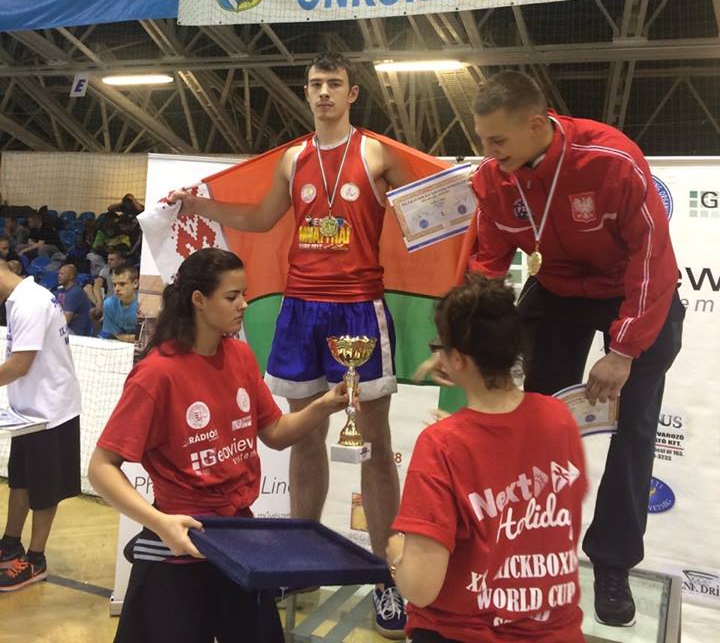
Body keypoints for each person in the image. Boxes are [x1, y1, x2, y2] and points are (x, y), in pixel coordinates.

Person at [170, 51, 411, 638]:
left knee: (375, 446)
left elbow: (425, 207)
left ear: (353, 94)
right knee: (304, 437)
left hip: (358, 307)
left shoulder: (376, 153)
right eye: (315, 84)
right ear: (306, 93)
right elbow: (260, 218)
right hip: (301, 308)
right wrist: (198, 205)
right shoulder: (293, 158)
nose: (323, 92)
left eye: (334, 84)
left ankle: (389, 576)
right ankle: (304, 563)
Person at [446, 70, 683, 627]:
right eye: (483, 141)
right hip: (557, 289)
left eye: (497, 141)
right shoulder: (494, 178)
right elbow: (487, 262)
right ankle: (529, 543)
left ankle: (613, 563)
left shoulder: (611, 161)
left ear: (536, 125)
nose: (489, 153)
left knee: (634, 428)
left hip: (631, 289)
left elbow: (653, 258)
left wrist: (623, 351)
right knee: (532, 420)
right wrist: (461, 338)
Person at [88, 247, 349, 643]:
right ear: (199, 300)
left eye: (244, 294)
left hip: (238, 540)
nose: (244, 304)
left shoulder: (240, 356)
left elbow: (276, 433)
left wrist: (324, 405)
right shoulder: (157, 374)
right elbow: (101, 467)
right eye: (232, 296)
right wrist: (161, 523)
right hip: (180, 545)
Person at [388, 276, 586, 643]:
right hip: (555, 631)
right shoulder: (559, 418)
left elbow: (421, 588)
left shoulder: (442, 445)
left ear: (457, 358)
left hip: (462, 632)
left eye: (440, 347)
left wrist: (397, 555)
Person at [0, 259, 82, 591]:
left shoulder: (29, 303)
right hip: (28, 412)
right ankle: (10, 544)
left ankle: (36, 559)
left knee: (44, 489)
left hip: (51, 412)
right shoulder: (23, 298)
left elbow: (19, 364)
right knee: (21, 479)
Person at [99, 265, 140, 341]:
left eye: (122, 284)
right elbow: (115, 335)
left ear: (135, 283)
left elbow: (147, 337)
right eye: (114, 285)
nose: (117, 289)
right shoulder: (109, 304)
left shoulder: (144, 303)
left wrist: (124, 337)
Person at [55, 262, 93, 337]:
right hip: (63, 329)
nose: (59, 276)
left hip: (74, 332)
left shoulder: (75, 292)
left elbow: (65, 321)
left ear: (71, 276)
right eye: (59, 273)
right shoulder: (59, 291)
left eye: (62, 274)